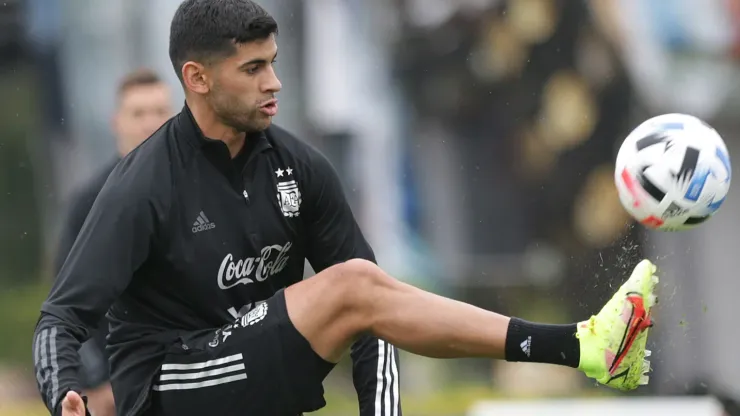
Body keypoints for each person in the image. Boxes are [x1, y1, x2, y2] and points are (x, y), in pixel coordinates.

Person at [33, 1, 658, 415]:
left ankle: (588, 348)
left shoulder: (298, 167)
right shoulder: (141, 185)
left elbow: (378, 313)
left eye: (273, 64)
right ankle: (581, 346)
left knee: (361, 283)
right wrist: (63, 394)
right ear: (197, 79)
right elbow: (59, 320)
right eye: (252, 69)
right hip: (169, 388)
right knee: (352, 285)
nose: (273, 82)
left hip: (251, 371)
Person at [53, 69, 174, 416]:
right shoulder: (90, 202)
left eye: (160, 111)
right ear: (116, 121)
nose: (150, 122)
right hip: (118, 379)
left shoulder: (200, 188)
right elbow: (67, 302)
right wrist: (97, 378)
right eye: (138, 113)